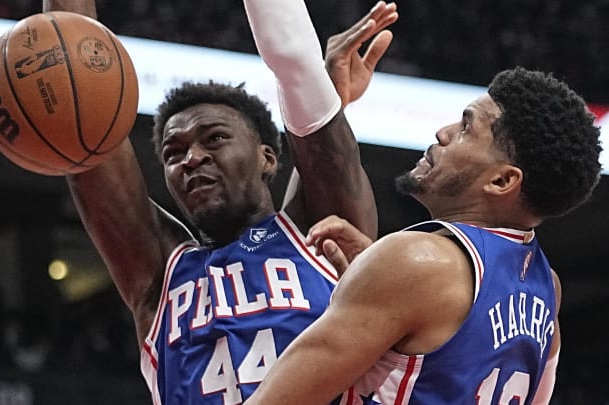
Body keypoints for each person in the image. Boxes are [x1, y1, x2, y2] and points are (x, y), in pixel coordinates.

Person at [42, 0, 397, 403]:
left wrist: (320, 88)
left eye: (214, 139)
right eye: (173, 153)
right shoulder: (161, 274)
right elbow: (79, 107)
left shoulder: (320, 235)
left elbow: (294, 61)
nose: (191, 159)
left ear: (268, 157)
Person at [244, 66, 602, 404]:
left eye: (465, 128)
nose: (443, 133)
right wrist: (376, 280)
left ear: (502, 181)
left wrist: (391, 273)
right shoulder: (545, 288)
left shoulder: (414, 263)